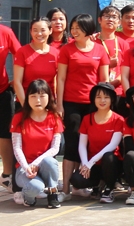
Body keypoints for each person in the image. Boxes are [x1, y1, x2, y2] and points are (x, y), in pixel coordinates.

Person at [56, 14, 110, 198]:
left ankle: (80, 184)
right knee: (72, 143)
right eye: (72, 28)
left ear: (88, 29)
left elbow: (104, 80)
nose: (74, 31)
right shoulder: (66, 50)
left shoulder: (99, 50)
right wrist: (59, 104)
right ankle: (65, 188)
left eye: (78, 28)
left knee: (89, 144)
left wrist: (104, 105)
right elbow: (61, 79)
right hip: (71, 103)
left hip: (94, 105)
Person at [11, 79, 63, 208]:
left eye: (42, 96)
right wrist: (27, 167)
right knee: (35, 187)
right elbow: (17, 147)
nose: (38, 100)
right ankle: (28, 198)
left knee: (50, 161)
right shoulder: (19, 117)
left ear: (49, 97)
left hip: (43, 164)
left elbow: (55, 148)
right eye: (33, 96)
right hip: (25, 167)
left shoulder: (54, 117)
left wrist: (36, 163)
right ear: (27, 98)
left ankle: (53, 194)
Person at [69, 83, 124, 203]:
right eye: (98, 97)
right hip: (92, 165)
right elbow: (82, 144)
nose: (102, 100)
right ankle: (98, 185)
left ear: (112, 99)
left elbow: (112, 145)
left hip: (111, 164)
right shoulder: (87, 118)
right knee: (76, 179)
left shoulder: (118, 119)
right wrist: (85, 164)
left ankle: (109, 189)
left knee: (108, 157)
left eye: (106, 97)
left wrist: (90, 162)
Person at [13, 18, 58, 106]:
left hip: (47, 103)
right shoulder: (22, 52)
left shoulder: (56, 53)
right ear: (30, 32)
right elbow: (17, 82)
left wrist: (56, 103)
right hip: (25, 102)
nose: (39, 34)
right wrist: (26, 106)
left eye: (43, 30)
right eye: (35, 30)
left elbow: (58, 81)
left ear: (50, 31)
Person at [97, 5, 129, 91]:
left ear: (119, 22)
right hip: (96, 90)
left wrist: (113, 83)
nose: (110, 19)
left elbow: (127, 70)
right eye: (107, 16)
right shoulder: (92, 41)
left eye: (114, 17)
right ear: (99, 20)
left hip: (118, 91)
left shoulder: (124, 44)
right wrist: (108, 65)